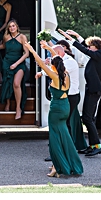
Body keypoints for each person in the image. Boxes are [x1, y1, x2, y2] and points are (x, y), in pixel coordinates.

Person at [17, 39, 83, 177]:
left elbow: (41, 63)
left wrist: (31, 49)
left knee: (54, 139)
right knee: (64, 136)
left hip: (56, 109)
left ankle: (57, 168)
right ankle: (66, 164)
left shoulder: (55, 76)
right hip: (65, 107)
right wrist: (49, 47)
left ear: (53, 66)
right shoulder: (66, 74)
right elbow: (57, 58)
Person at [64, 30, 101, 156]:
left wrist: (71, 40)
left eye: (90, 46)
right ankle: (92, 145)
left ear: (96, 46)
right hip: (92, 89)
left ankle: (97, 146)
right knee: (88, 118)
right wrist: (77, 36)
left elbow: (85, 50)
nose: (88, 47)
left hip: (95, 90)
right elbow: (86, 47)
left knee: (87, 118)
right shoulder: (98, 54)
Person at [0, 20, 30, 120]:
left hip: (19, 64)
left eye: (13, 26)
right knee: (7, 83)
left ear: (17, 27)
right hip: (7, 63)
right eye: (10, 27)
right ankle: (8, 103)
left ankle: (18, 108)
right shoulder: (6, 37)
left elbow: (26, 53)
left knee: (16, 83)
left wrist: (16, 64)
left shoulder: (22, 37)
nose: (12, 28)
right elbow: (4, 46)